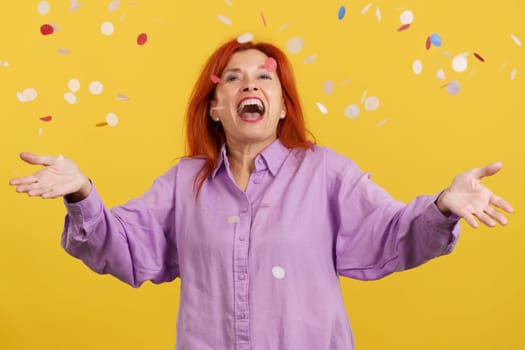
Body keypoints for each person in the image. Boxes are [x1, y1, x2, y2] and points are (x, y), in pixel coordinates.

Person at [9, 38, 513, 350]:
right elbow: (123, 247)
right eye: (233, 78)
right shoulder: (184, 183)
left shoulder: (326, 173)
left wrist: (443, 206)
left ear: (279, 107)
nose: (249, 84)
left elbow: (392, 232)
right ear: (215, 108)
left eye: (264, 78)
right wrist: (80, 193)